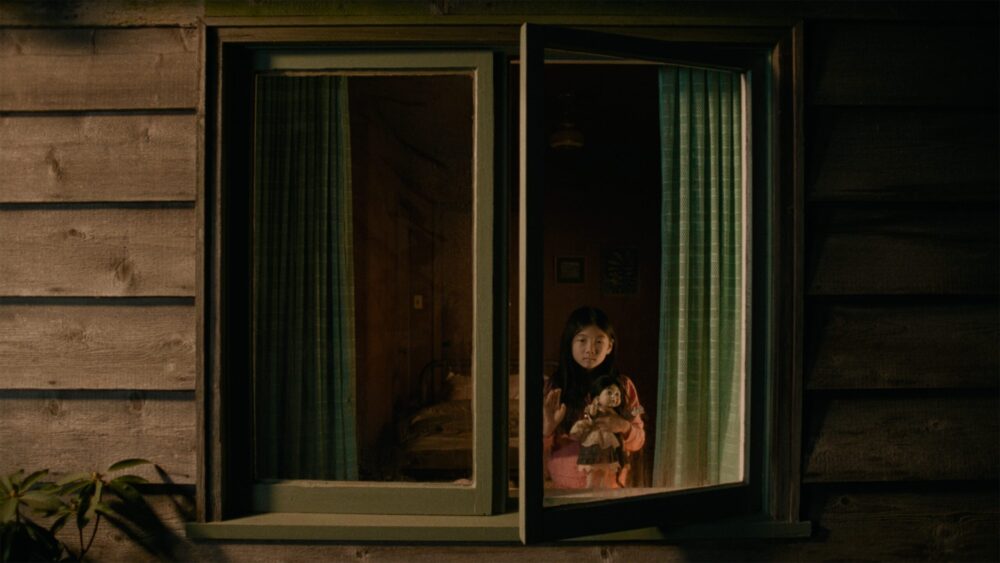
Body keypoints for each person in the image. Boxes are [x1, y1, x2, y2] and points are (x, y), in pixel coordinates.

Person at [543, 306, 645, 489]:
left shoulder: (623, 386)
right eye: (582, 340)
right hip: (564, 487)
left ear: (610, 346)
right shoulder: (555, 386)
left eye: (599, 341)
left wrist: (623, 426)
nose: (590, 349)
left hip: (610, 485)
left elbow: (638, 440)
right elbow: (535, 450)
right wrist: (547, 429)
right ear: (570, 343)